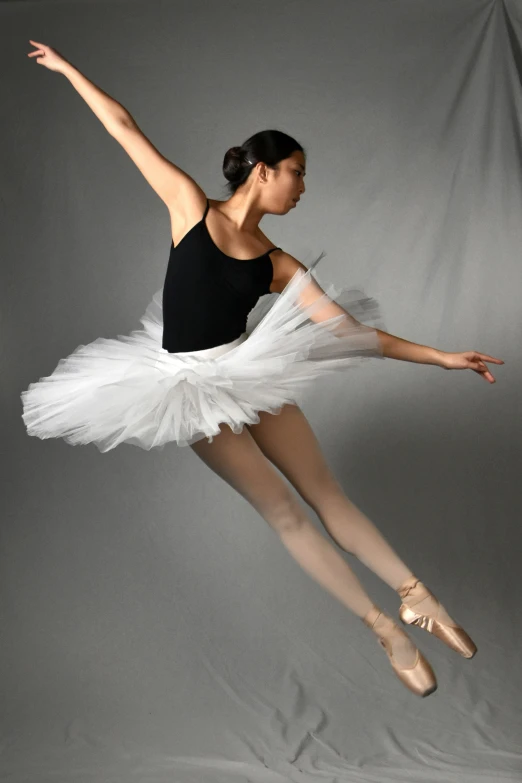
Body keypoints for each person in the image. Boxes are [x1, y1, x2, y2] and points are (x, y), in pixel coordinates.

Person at [22, 41, 504, 697]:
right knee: (285, 512)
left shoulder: (279, 264)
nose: (304, 187)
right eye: (297, 172)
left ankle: (418, 595)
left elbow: (353, 333)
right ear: (263, 170)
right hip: (185, 388)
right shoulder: (190, 208)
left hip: (247, 372)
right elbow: (124, 128)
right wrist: (70, 70)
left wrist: (441, 356)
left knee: (326, 492)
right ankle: (383, 628)